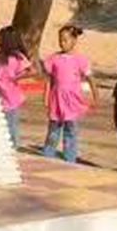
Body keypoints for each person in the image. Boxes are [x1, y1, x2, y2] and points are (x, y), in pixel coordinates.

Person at [40, 25, 98, 163]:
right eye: (60, 39)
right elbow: (49, 79)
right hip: (56, 101)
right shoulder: (53, 58)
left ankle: (70, 159)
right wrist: (45, 96)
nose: (62, 42)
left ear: (74, 40)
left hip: (72, 102)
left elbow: (90, 78)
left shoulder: (80, 59)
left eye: (65, 39)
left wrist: (95, 94)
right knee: (53, 130)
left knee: (70, 131)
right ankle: (48, 156)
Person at [0, 26, 34, 149]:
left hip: (10, 97)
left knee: (11, 123)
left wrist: (17, 77)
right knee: (2, 123)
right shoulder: (1, 56)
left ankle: (13, 146)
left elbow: (32, 71)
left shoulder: (17, 57)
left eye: (0, 38)